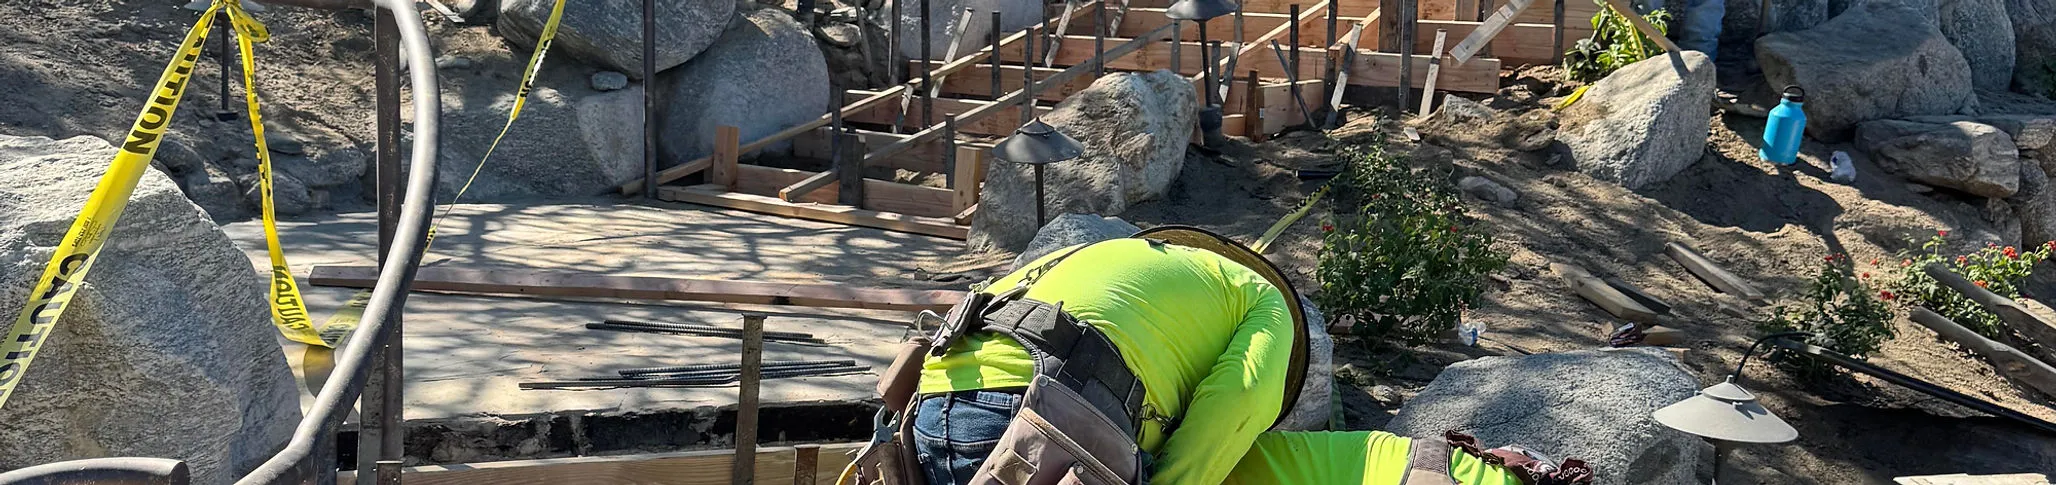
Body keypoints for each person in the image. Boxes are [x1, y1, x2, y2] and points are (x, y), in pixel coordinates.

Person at [904, 227, 1549, 485]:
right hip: (1039, 424)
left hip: (925, 419)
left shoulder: (1103, 260)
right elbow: (1232, 408)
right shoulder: (1264, 301)